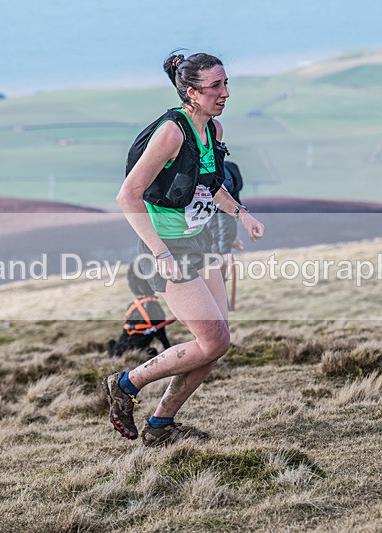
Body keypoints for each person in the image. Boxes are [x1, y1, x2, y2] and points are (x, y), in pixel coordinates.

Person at [102, 52, 264, 447]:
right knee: (212, 341)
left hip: (201, 240)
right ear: (191, 93)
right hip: (168, 248)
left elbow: (210, 184)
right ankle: (125, 384)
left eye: (226, 84)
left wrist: (242, 215)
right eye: (215, 87)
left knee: (215, 344)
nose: (224, 93)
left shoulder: (214, 130)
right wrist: (160, 254)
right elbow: (128, 196)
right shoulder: (171, 134)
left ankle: (160, 426)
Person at [107, 262, 172, 359]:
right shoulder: (153, 306)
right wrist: (169, 349)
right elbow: (161, 334)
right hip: (137, 350)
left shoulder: (132, 306)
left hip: (121, 349)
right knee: (152, 351)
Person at [207, 160, 246, 309]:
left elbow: (225, 215)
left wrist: (225, 248)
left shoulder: (219, 178)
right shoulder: (228, 171)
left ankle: (220, 308)